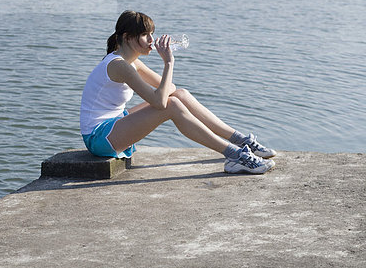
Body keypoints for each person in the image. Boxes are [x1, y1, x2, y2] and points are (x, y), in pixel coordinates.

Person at [80, 10, 276, 174]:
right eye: (145, 35)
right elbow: (160, 102)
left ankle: (240, 140)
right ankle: (235, 155)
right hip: (99, 137)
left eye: (152, 34)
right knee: (171, 105)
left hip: (115, 122)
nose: (152, 40)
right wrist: (168, 63)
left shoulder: (133, 63)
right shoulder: (120, 66)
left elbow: (170, 89)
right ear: (127, 37)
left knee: (180, 94)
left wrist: (167, 77)